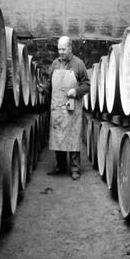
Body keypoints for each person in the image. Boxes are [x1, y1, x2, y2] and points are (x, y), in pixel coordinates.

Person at [37, 36, 90, 180]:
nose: (60, 52)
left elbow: (87, 85)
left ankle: (75, 169)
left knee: (72, 137)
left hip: (72, 107)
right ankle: (61, 166)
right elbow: (49, 83)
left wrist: (76, 91)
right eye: (59, 49)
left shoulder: (79, 64)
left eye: (63, 49)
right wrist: (44, 89)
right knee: (58, 137)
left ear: (70, 48)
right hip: (57, 107)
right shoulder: (55, 64)